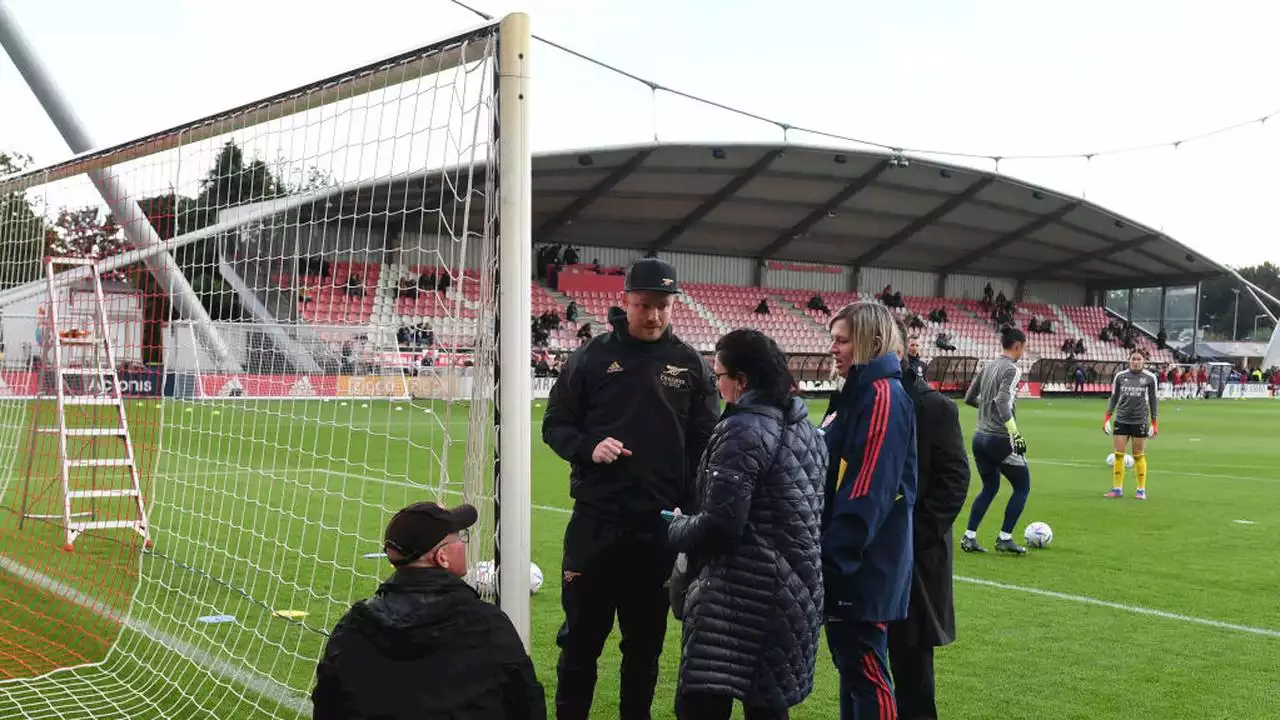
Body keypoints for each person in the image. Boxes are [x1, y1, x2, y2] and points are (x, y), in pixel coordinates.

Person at [541, 257, 720, 720]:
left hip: (657, 532)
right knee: (580, 642)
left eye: (663, 306)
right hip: (596, 527)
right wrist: (588, 447)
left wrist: (692, 511)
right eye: (645, 305)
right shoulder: (592, 357)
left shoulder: (690, 365)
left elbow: (706, 445)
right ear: (625, 302)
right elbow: (555, 425)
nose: (654, 315)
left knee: (643, 650)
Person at [664, 328, 827, 720]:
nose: (716, 384)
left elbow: (722, 525)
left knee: (700, 705)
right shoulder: (809, 431)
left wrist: (673, 530)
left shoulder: (742, 430)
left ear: (741, 381)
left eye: (719, 375)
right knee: (767, 707)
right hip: (794, 597)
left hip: (735, 600)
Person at [311, 502, 545, 720]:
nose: (464, 544)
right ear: (442, 557)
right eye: (460, 537)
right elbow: (527, 704)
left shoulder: (354, 624)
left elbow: (327, 706)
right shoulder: (486, 623)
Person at [820, 302, 917, 720]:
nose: (834, 349)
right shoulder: (856, 393)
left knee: (866, 675)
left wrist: (834, 560)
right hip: (853, 561)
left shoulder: (882, 396)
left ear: (870, 341)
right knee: (854, 673)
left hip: (862, 566)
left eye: (841, 340)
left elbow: (867, 491)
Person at [888, 318, 970, 720]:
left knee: (911, 669)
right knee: (860, 669)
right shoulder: (852, 401)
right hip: (862, 559)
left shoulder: (933, 407)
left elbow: (954, 481)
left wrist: (914, 536)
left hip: (914, 562)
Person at [960, 326, 1031, 555]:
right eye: (1024, 348)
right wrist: (1015, 432)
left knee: (990, 487)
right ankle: (1005, 538)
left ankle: (969, 537)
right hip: (998, 438)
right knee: (1022, 486)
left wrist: (987, 410)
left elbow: (969, 397)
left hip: (979, 437)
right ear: (1017, 346)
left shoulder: (988, 366)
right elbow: (1002, 400)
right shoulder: (1012, 369)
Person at [1104, 350, 1159, 500]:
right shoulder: (1120, 376)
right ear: (1129, 361)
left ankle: (1141, 490)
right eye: (1133, 359)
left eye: (1138, 359)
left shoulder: (1150, 378)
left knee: (1138, 455)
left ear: (1144, 361)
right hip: (1122, 419)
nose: (1136, 361)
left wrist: (1154, 422)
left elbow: (1154, 400)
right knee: (1118, 454)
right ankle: (1117, 489)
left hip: (1140, 420)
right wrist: (1107, 417)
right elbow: (1114, 397)